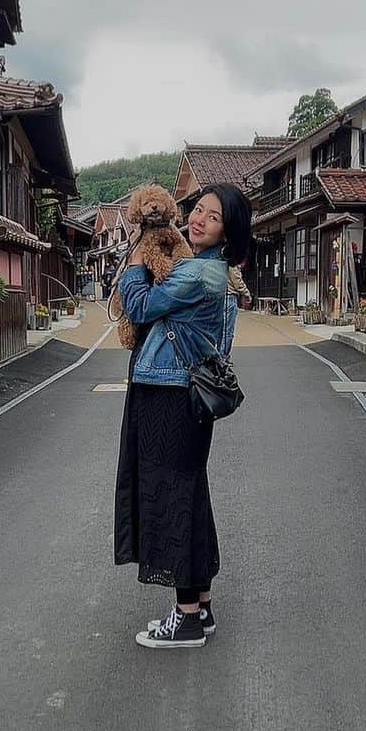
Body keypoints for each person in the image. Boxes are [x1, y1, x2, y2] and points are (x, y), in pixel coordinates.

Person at [114, 184, 252, 649]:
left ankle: (186, 617)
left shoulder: (197, 275)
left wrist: (135, 260)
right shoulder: (217, 275)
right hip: (187, 397)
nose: (198, 219)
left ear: (227, 232)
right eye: (198, 210)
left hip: (170, 396)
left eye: (212, 217)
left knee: (169, 496)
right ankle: (202, 606)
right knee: (189, 494)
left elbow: (137, 306)